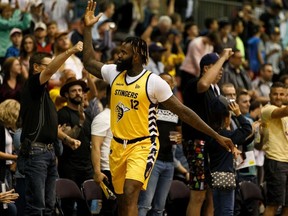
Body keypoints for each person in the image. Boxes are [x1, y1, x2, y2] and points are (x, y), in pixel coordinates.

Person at [83, 2, 234, 216]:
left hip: (143, 145)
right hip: (117, 146)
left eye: (123, 52)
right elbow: (88, 62)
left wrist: (216, 135)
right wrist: (88, 29)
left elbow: (184, 112)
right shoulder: (113, 73)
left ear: (135, 56)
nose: (117, 55)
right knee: (123, 202)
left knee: (130, 191)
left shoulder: (153, 82)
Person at [19, 42, 83, 215]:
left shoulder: (45, 94)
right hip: (36, 152)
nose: (53, 70)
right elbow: (48, 72)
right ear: (36, 67)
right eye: (48, 66)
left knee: (49, 206)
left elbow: (50, 127)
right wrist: (70, 50)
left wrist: (67, 139)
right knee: (36, 206)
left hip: (49, 152)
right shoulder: (33, 84)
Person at [182, 51, 231, 216]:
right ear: (206, 68)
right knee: (198, 194)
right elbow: (203, 84)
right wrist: (223, 57)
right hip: (197, 143)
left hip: (212, 144)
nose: (221, 71)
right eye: (217, 68)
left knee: (211, 193)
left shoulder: (215, 91)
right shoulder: (194, 83)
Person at [138, 72, 182, 216]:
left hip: (169, 161)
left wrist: (179, 138)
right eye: (161, 81)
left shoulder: (176, 107)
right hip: (152, 160)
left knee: (159, 208)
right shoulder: (150, 103)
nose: (164, 84)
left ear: (172, 85)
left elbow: (179, 131)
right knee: (144, 205)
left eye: (167, 82)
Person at [207, 96, 251, 216]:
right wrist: (238, 114)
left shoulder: (209, 136)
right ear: (227, 119)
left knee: (218, 210)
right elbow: (247, 129)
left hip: (214, 177)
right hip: (227, 177)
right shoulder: (228, 136)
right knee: (227, 211)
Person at [57, 77, 93, 215]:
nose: (78, 93)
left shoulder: (87, 115)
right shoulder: (62, 114)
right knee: (69, 207)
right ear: (66, 94)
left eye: (80, 90)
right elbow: (68, 139)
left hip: (87, 166)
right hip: (69, 167)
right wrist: (80, 123)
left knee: (88, 207)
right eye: (74, 91)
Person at [261, 82, 288, 216]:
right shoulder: (267, 109)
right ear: (269, 95)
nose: (278, 97)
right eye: (275, 94)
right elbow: (282, 111)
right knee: (273, 204)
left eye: (281, 94)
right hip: (275, 160)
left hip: (286, 160)